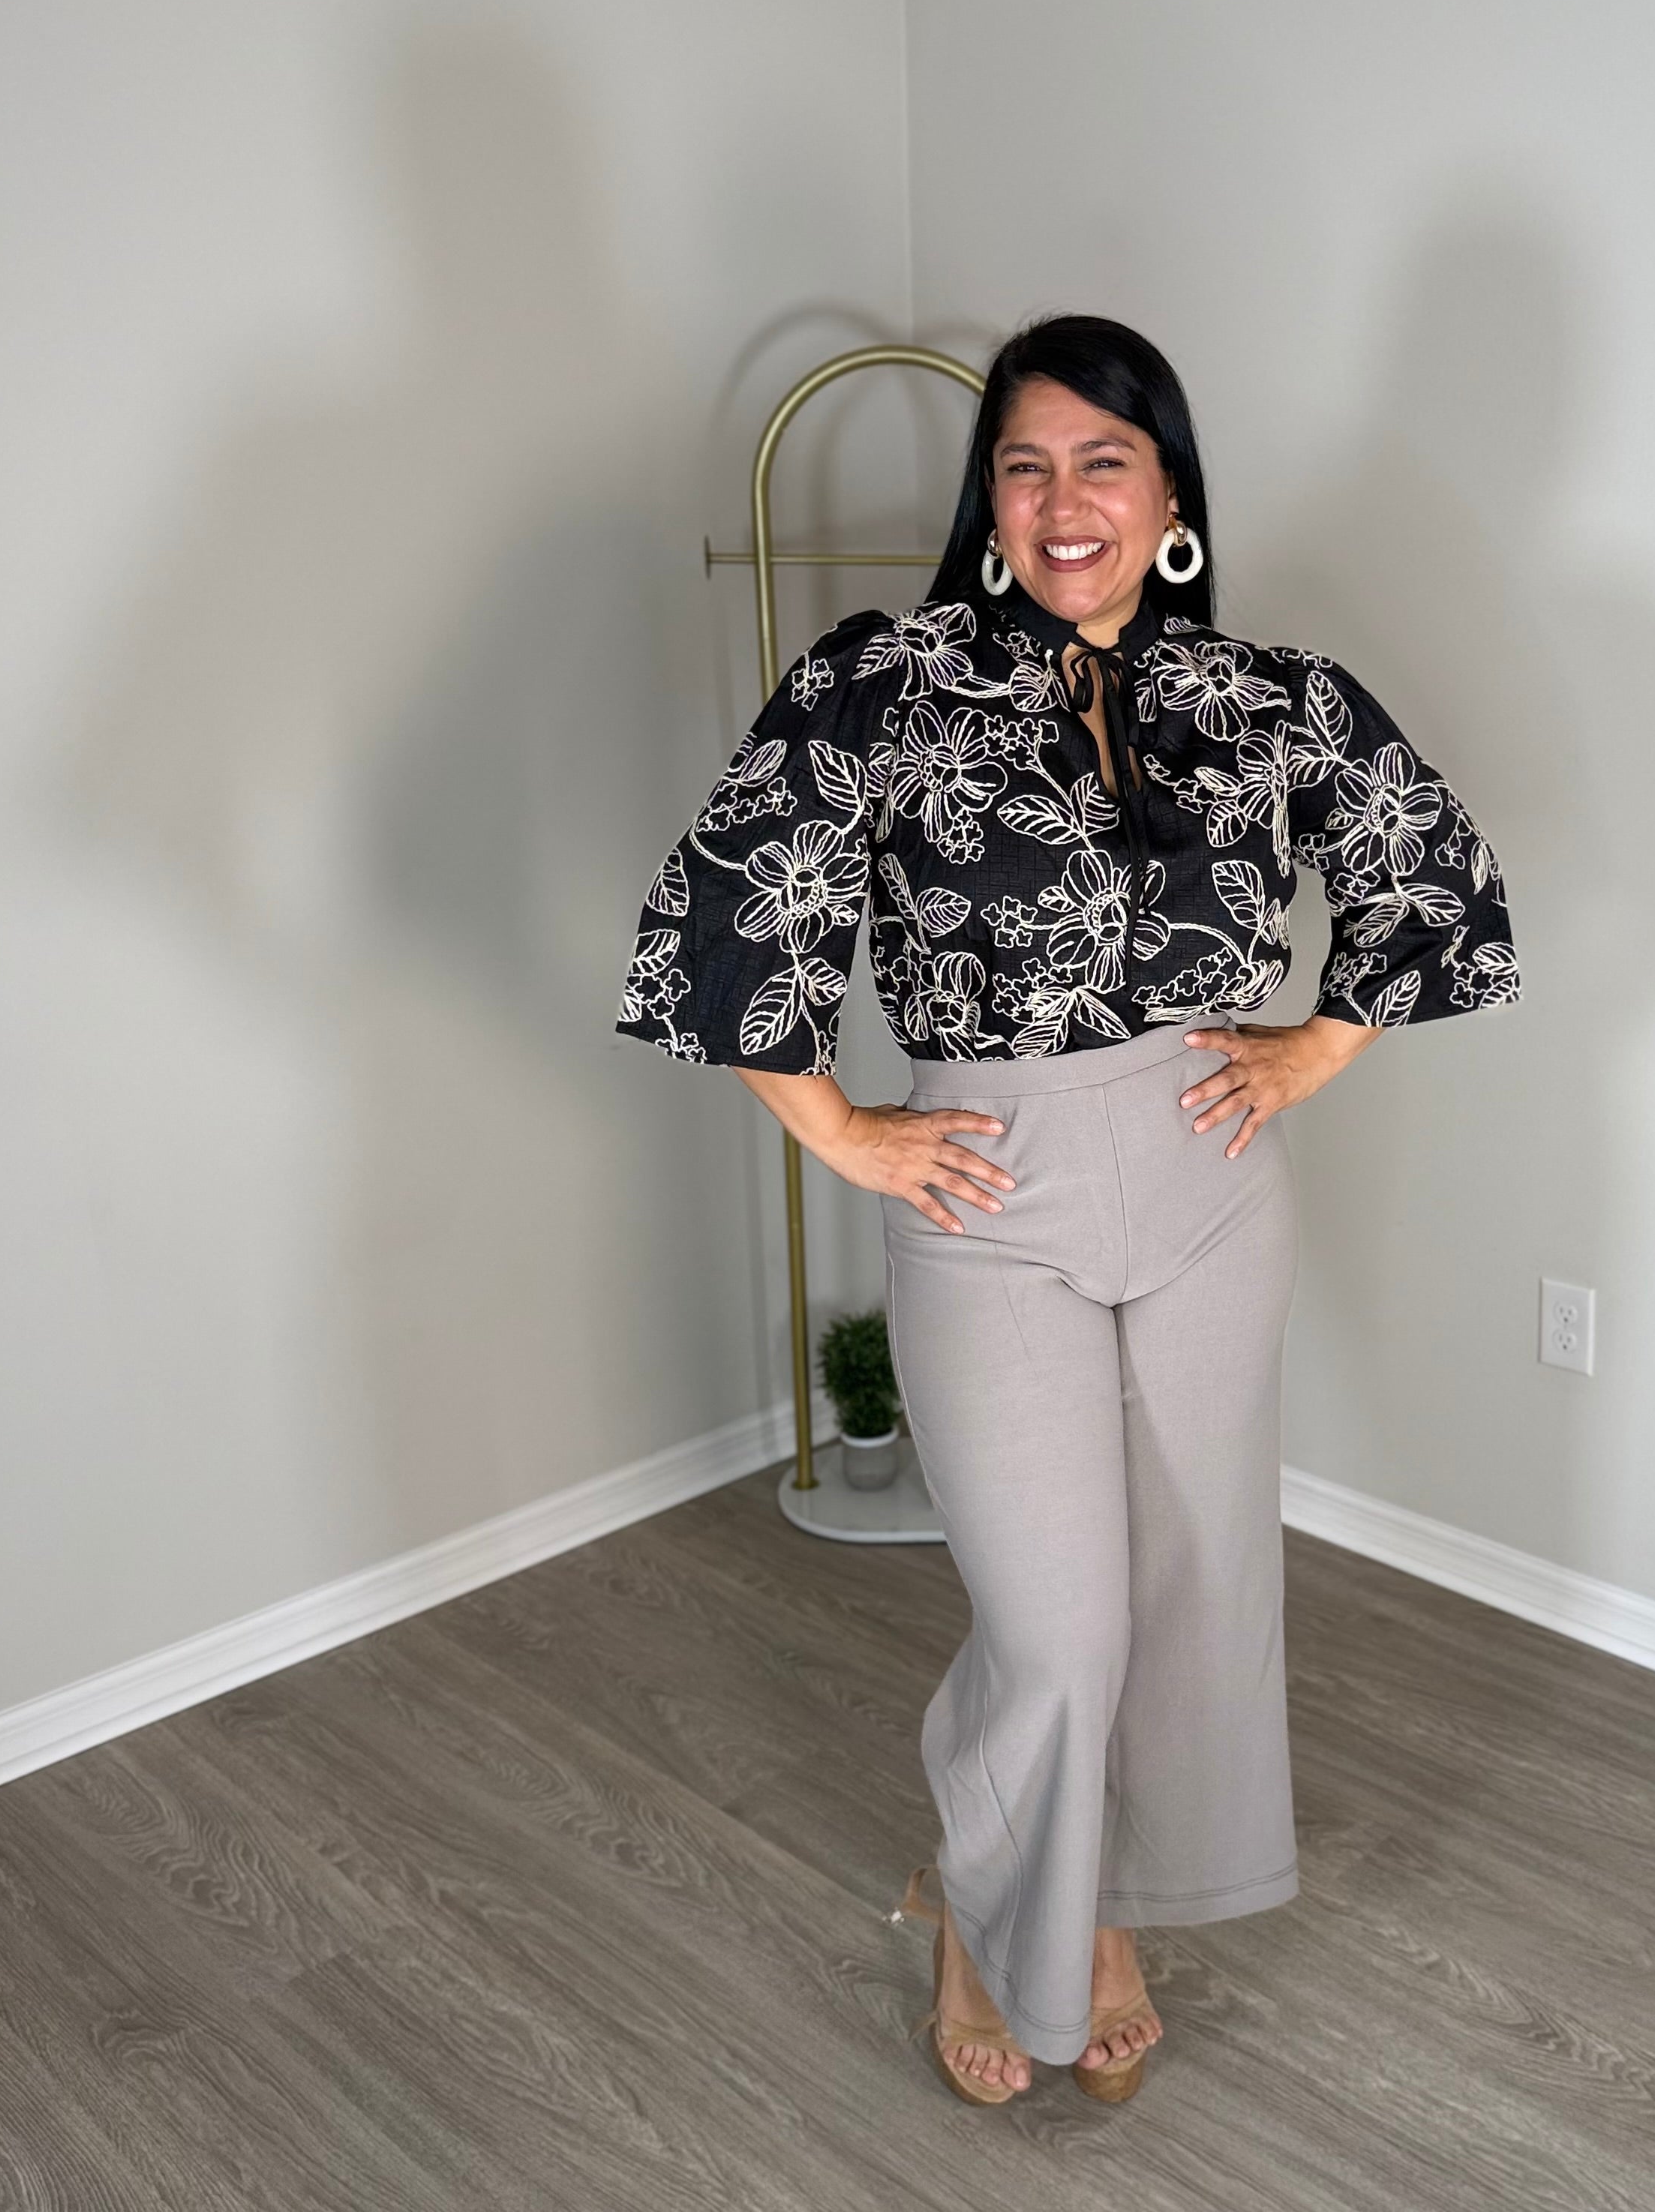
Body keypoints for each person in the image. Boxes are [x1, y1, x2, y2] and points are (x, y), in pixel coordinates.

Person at [614, 314, 1520, 2105]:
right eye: (1024, 467)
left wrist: (1309, 1053)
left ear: (1171, 491)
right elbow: (730, 905)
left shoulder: (1266, 697)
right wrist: (852, 1135)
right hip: (993, 1184)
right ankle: (986, 1899)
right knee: (1061, 1625)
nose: (1062, 500)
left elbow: (1434, 874)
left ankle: (1090, 1911)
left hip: (1206, 1183)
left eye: (1104, 459)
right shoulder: (891, 680)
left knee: (1187, 1596)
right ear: (990, 502)